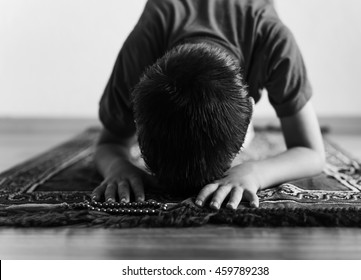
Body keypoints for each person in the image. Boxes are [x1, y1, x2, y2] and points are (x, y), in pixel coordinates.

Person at [92, 0, 325, 210]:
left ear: (250, 110)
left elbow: (313, 153)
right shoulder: (141, 49)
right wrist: (117, 167)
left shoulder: (272, 39)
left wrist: (254, 172)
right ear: (136, 114)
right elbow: (109, 144)